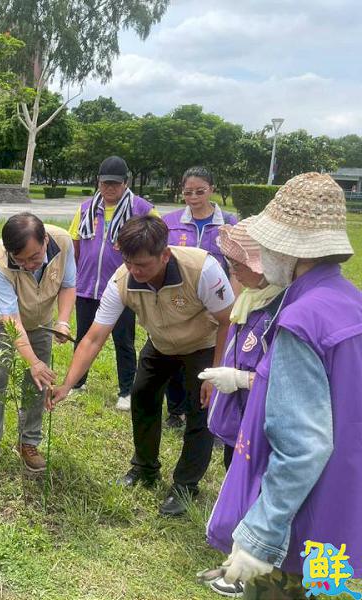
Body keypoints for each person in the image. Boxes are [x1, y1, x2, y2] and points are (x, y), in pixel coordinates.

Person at [207, 173, 362, 599]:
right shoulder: (350, 302)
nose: (262, 255)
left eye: (267, 244)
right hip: (341, 516)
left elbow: (304, 444)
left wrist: (259, 533)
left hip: (298, 524)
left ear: (290, 250)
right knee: (331, 592)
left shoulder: (301, 320)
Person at [50, 215, 235, 516]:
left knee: (199, 410)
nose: (135, 271)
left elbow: (228, 320)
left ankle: (185, 486)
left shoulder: (202, 268)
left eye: (143, 265)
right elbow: (94, 337)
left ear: (165, 255)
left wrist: (215, 374)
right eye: (129, 262)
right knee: (143, 396)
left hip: (204, 344)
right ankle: (145, 469)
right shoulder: (122, 279)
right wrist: (67, 385)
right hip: (160, 343)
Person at [196, 217, 284, 598]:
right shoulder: (251, 296)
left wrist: (241, 379)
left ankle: (251, 571)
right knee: (237, 473)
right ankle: (237, 554)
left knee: (261, 488)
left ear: (263, 262)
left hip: (266, 415)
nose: (233, 274)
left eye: (238, 266)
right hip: (241, 411)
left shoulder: (285, 305)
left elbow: (283, 378)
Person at [0, 213, 76, 483]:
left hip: (41, 322)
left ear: (45, 240)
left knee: (38, 384)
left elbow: (67, 285)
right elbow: (12, 321)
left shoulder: (64, 242)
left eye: (34, 258)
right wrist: (33, 361)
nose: (29, 265)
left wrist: (63, 321)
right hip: (4, 324)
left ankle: (28, 442)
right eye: (21, 261)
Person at [67, 156, 156, 410]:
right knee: (83, 337)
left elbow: (157, 240)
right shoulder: (86, 208)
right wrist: (77, 275)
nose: (109, 188)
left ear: (125, 183)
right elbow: (75, 243)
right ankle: (77, 382)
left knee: (123, 340)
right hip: (87, 286)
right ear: (98, 182)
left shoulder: (141, 208)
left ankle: (126, 391)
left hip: (122, 288)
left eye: (115, 184)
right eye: (105, 183)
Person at [163, 167, 238, 429]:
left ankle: (207, 412)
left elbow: (237, 267)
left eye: (200, 191)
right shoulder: (169, 221)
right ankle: (175, 410)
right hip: (178, 304)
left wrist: (234, 306)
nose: (193, 197)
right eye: (187, 192)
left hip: (215, 307)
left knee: (209, 361)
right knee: (174, 356)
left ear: (212, 190)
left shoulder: (229, 224)